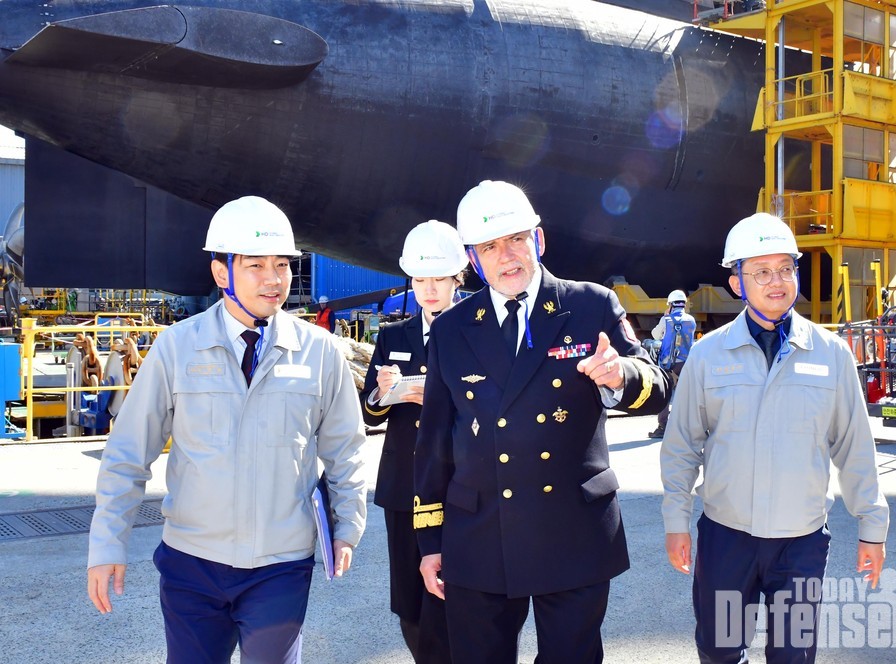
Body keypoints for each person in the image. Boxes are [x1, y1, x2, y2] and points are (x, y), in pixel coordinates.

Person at [87, 196, 367, 664]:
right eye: (256, 265)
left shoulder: (318, 352)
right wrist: (106, 543)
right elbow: (128, 453)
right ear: (222, 273)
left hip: (280, 566)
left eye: (282, 264)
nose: (274, 278)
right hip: (191, 566)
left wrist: (347, 527)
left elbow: (346, 449)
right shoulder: (177, 348)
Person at [414, 180, 672, 664]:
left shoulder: (589, 304)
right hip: (479, 533)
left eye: (516, 238)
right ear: (473, 259)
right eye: (490, 246)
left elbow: (657, 385)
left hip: (570, 529)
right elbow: (433, 443)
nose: (507, 256)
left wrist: (620, 376)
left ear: (540, 239)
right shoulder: (450, 329)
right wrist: (430, 541)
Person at [660, 212, 889, 663]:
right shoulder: (708, 355)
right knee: (722, 649)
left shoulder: (831, 355)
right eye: (761, 272)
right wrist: (675, 519)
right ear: (736, 282)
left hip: (799, 544)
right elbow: (682, 444)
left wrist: (872, 526)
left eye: (786, 268)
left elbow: (854, 447)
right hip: (728, 541)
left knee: (793, 653)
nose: (777, 281)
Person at [360, 220, 466, 664]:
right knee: (410, 593)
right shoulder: (392, 336)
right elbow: (369, 411)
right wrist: (383, 394)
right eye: (420, 279)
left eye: (438, 279)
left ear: (459, 278)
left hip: (463, 482)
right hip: (405, 483)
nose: (428, 289)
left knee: (463, 589)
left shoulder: (479, 330)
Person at [649, 289, 697, 438]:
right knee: (686, 396)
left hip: (668, 364)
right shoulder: (691, 320)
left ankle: (663, 427)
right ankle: (688, 428)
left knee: (665, 395)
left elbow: (655, 335)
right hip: (686, 363)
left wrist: (665, 318)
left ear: (670, 304)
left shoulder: (667, 320)